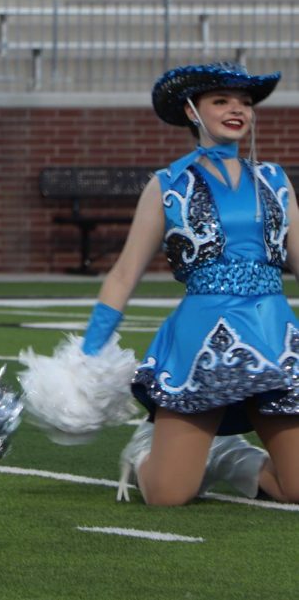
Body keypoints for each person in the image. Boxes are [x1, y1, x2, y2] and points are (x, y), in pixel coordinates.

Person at [80, 62, 299, 506]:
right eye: (221, 101)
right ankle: (149, 449)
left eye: (245, 103)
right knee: (167, 497)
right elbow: (124, 273)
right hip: (202, 343)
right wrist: (87, 354)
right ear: (191, 111)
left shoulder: (276, 181)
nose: (237, 110)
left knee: (295, 489)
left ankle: (229, 456)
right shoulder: (167, 185)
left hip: (276, 336)